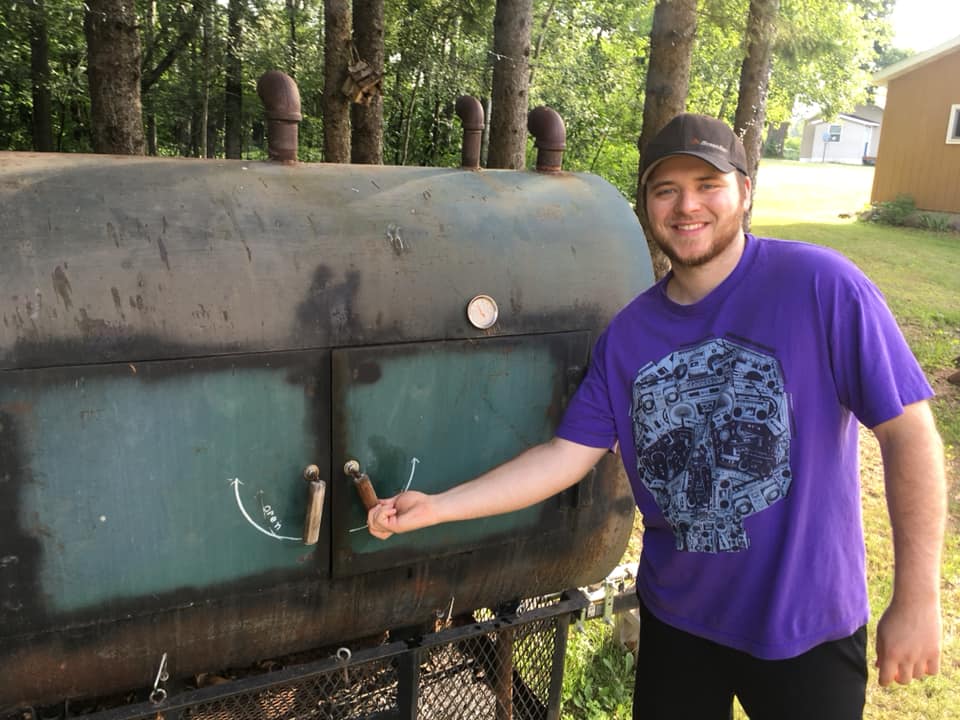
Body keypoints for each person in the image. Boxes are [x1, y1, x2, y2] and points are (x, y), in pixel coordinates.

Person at [367, 113, 946, 719]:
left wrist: (917, 598)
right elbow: (565, 456)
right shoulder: (630, 336)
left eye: (707, 185)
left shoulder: (821, 286)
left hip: (806, 627)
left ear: (745, 192)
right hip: (680, 623)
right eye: (666, 190)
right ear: (647, 206)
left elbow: (909, 434)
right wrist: (437, 507)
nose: (686, 205)